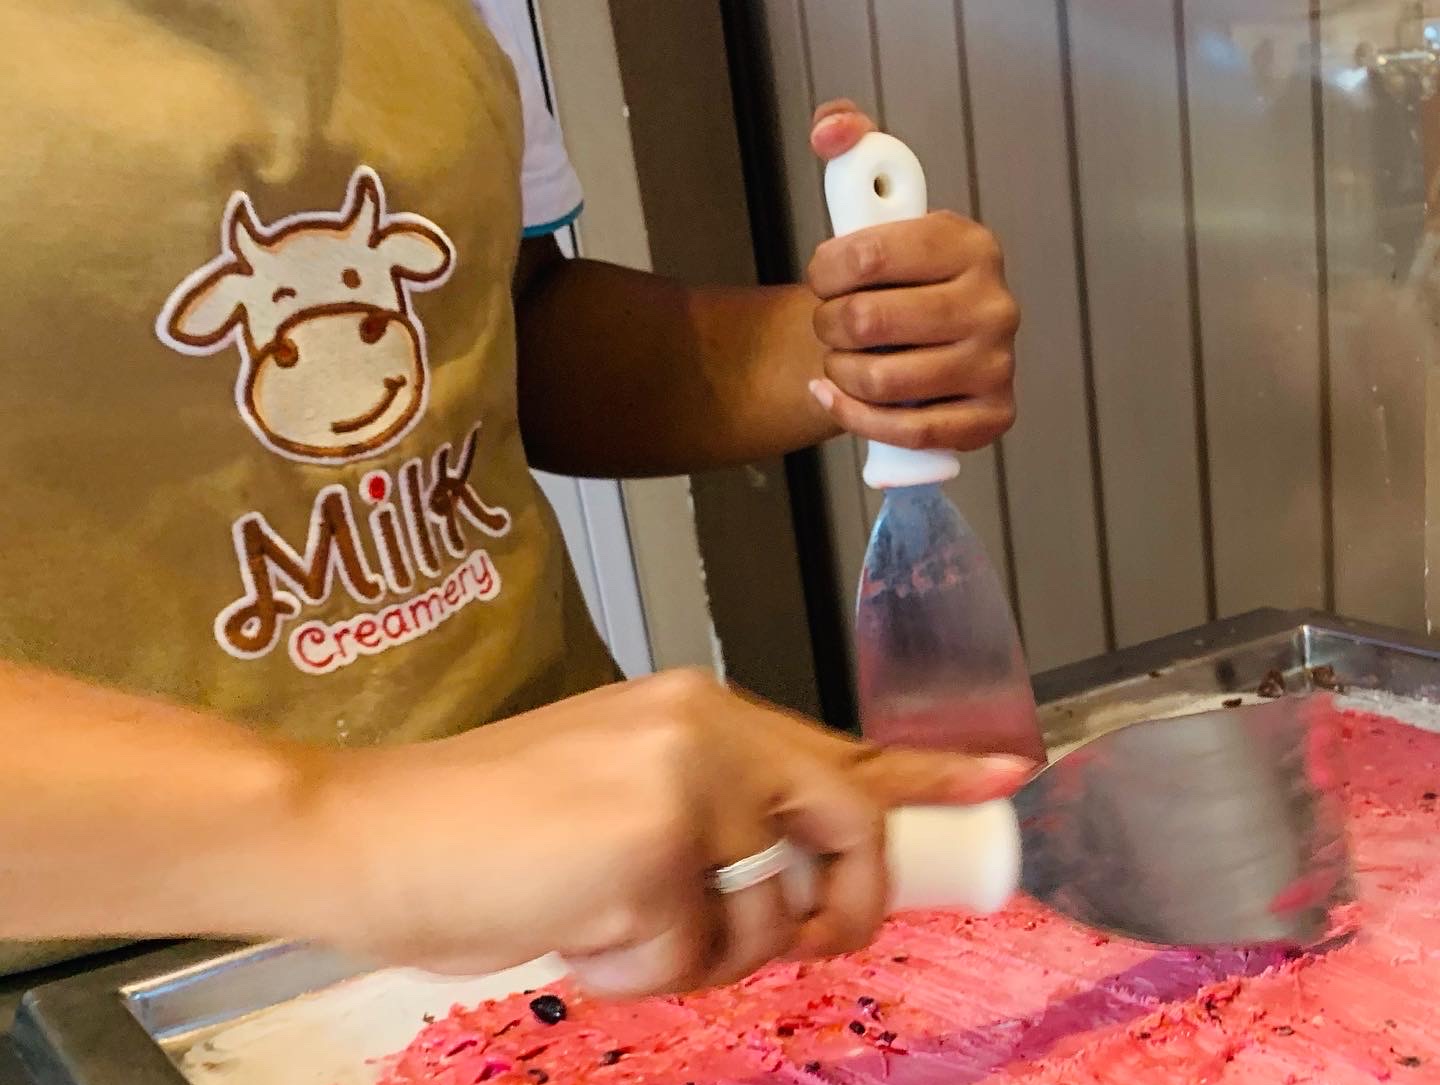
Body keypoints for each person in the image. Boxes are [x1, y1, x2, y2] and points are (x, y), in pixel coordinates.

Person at [0, 0, 1024, 998]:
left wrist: (833, 351)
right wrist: (366, 830)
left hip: (586, 883)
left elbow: (501, 322)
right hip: (103, 976)